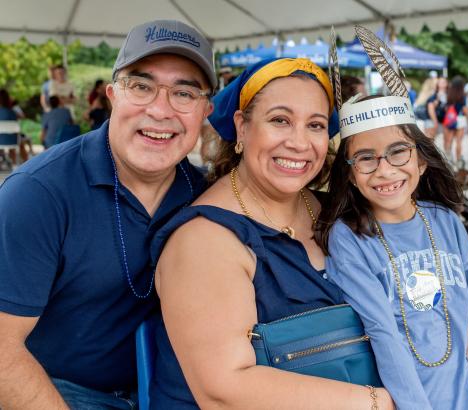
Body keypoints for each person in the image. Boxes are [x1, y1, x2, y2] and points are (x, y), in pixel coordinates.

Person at [149, 58, 395, 409]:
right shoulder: (203, 242)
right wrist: (382, 402)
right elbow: (225, 390)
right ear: (242, 126)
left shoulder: (338, 213)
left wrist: (457, 331)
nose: (299, 142)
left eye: (315, 125)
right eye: (280, 120)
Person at [0, 19, 215, 409]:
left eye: (184, 93)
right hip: (60, 391)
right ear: (113, 95)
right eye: (142, 86)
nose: (160, 109)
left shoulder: (206, 194)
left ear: (206, 111)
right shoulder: (37, 193)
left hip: (173, 388)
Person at [317, 91, 468, 408]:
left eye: (398, 152)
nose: (385, 170)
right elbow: (384, 333)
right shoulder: (349, 237)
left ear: (421, 161)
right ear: (351, 175)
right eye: (366, 158)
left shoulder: (445, 220)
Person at [443, 76, 468, 163]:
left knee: (449, 140)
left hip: (451, 119)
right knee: (459, 142)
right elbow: (465, 109)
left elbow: (446, 108)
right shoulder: (463, 95)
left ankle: (449, 159)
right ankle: (458, 161)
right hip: (461, 119)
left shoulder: (449, 94)